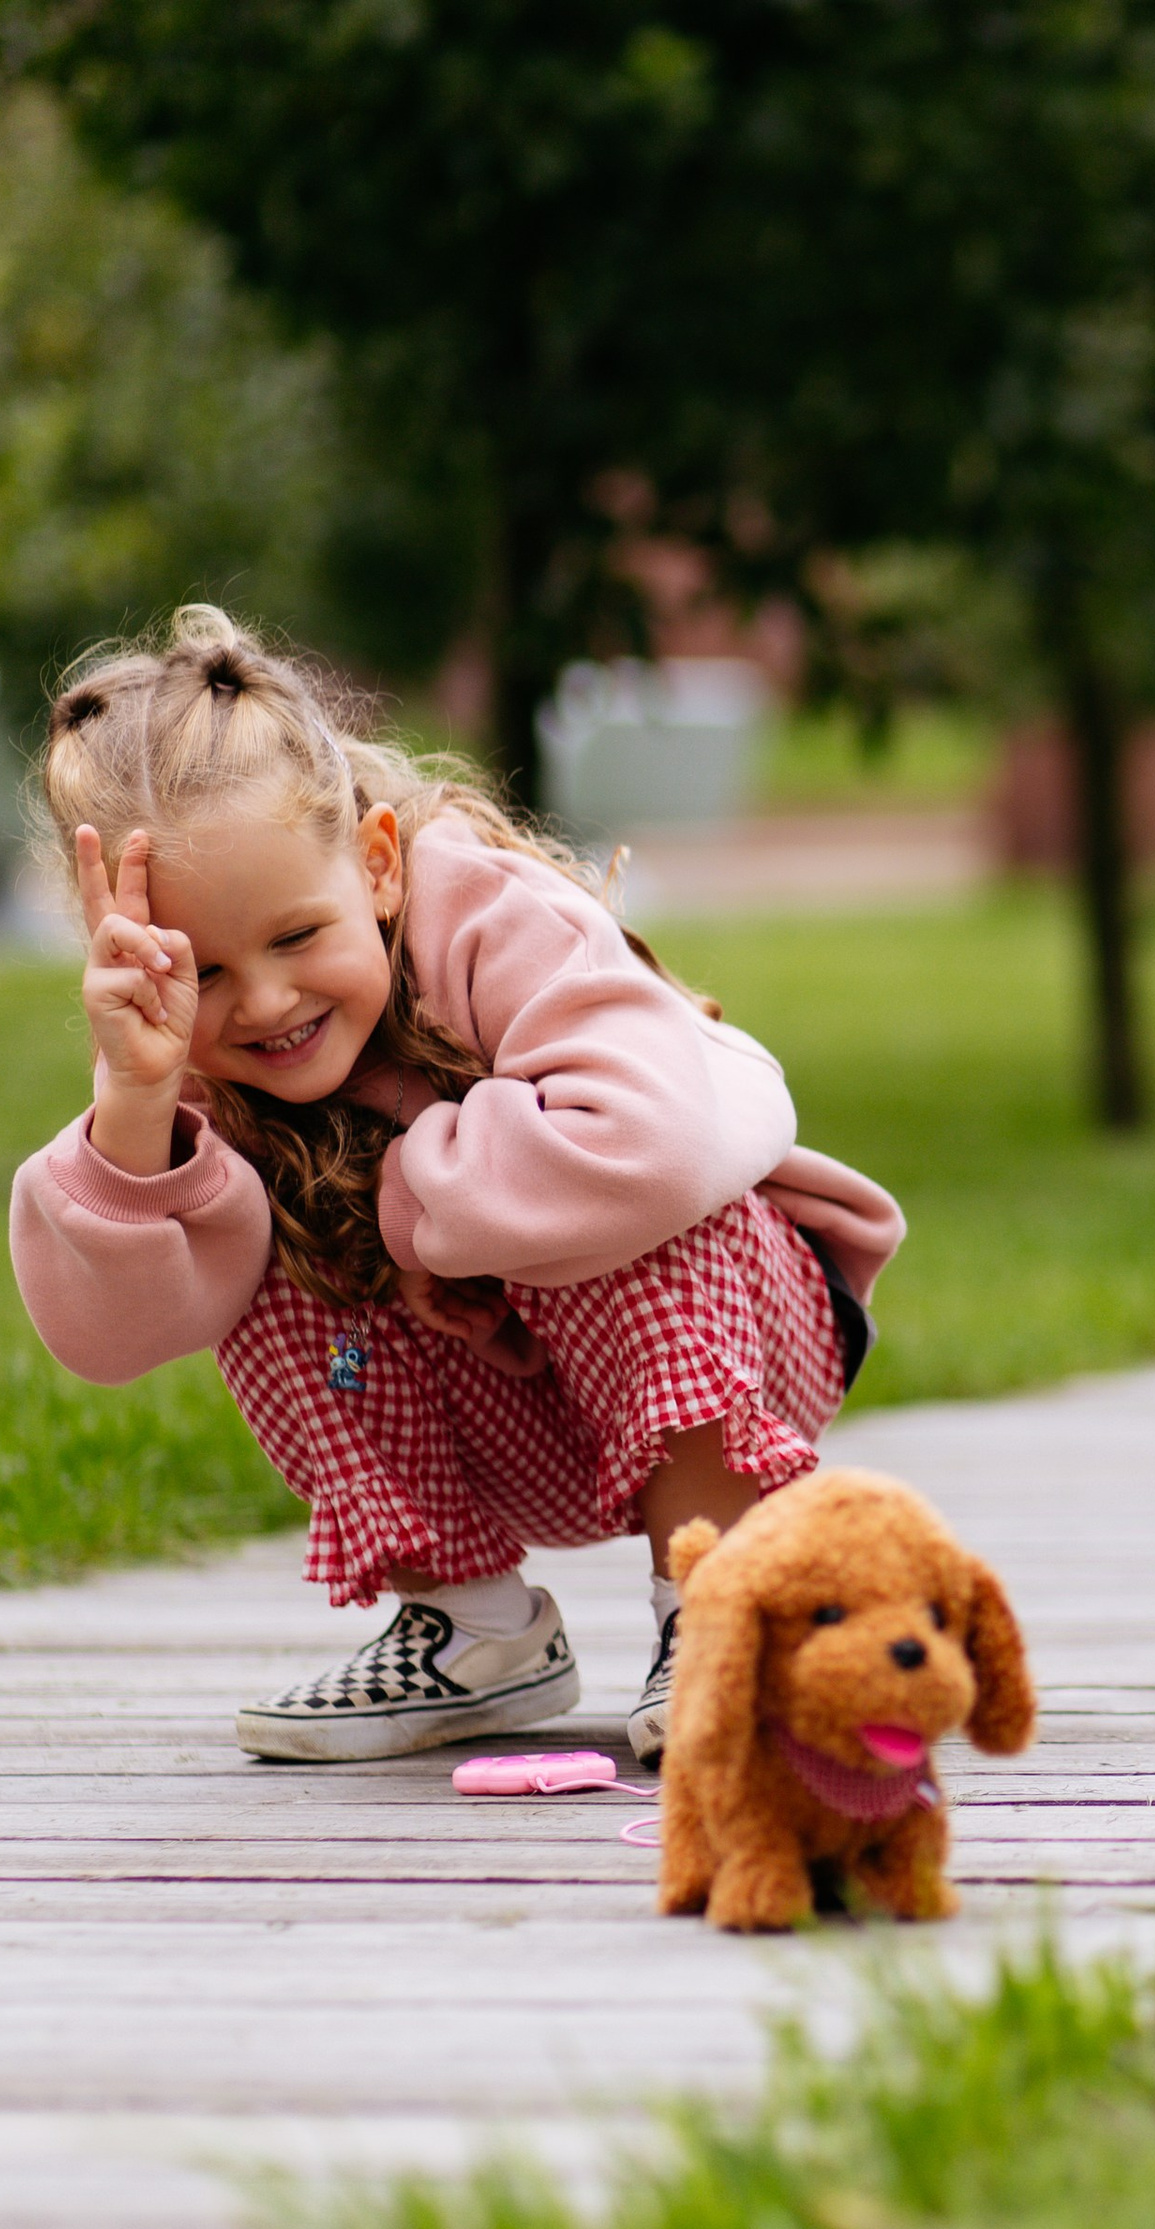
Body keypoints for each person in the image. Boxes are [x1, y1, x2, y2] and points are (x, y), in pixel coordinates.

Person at [7, 606, 901, 1768]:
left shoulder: (492, 918)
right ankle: (476, 1633)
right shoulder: (174, 1052)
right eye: (210, 970)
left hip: (740, 1352)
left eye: (295, 935)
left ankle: (725, 1600)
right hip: (514, 1415)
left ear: (377, 862)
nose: (267, 1002)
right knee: (243, 1235)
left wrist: (414, 1206)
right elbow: (116, 1334)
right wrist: (133, 1109)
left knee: (618, 1197)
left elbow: (658, 1147)